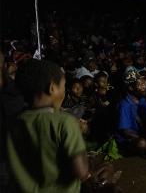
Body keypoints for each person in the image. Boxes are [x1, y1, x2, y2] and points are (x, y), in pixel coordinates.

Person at [6, 59, 88, 192]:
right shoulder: (65, 122)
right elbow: (81, 171)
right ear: (52, 88)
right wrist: (79, 135)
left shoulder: (12, 123)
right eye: (63, 85)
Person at [116, 66, 146, 155]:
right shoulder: (125, 105)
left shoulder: (142, 98)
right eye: (140, 84)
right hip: (129, 139)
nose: (144, 86)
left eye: (144, 82)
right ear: (131, 88)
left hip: (142, 132)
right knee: (142, 144)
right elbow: (126, 132)